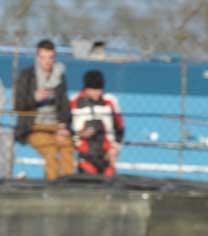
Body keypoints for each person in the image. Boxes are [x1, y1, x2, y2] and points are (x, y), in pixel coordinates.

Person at [13, 39, 73, 180]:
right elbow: (18, 105)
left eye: (51, 57)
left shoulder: (59, 75)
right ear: (37, 57)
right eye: (43, 57)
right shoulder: (26, 76)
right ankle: (52, 187)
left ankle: (69, 187)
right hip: (34, 126)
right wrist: (35, 97)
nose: (47, 61)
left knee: (67, 147)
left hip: (55, 125)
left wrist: (63, 126)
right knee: (51, 151)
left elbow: (64, 104)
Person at [70, 70, 125, 178]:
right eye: (93, 90)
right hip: (85, 155)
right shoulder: (73, 102)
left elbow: (120, 128)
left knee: (109, 187)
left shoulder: (110, 101)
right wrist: (79, 135)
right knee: (89, 185)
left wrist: (115, 149)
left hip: (107, 155)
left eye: (99, 89)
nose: (97, 93)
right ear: (86, 89)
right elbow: (65, 130)